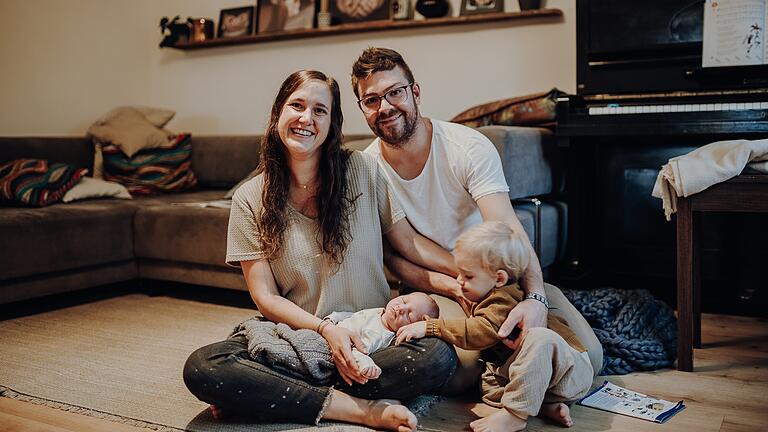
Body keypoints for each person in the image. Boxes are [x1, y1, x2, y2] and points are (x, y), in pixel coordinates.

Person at [183, 70, 458, 432]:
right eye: (296, 105)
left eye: (319, 111)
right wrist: (327, 331)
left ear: (332, 124)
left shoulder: (363, 169)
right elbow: (264, 297)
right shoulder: (249, 197)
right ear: (278, 113)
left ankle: (271, 395)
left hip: (373, 341)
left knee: (437, 357)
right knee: (205, 366)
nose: (305, 119)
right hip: (300, 343)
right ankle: (357, 409)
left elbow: (408, 244)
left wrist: (464, 274)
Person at [351, 47, 603, 391]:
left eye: (395, 92)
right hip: (432, 286)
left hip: (497, 279)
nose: (385, 107)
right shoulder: (368, 169)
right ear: (363, 108)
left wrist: (535, 298)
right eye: (372, 100)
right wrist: (454, 284)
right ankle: (536, 387)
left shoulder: (466, 147)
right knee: (463, 373)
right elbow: (396, 254)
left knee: (591, 355)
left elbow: (508, 230)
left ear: (415, 92)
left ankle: (540, 383)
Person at [395, 222, 593, 431]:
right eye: (460, 273)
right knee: (487, 381)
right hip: (539, 376)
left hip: (567, 370)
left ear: (499, 278)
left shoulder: (503, 298)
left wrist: (432, 328)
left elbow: (480, 330)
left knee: (539, 339)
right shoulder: (485, 292)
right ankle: (542, 405)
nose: (459, 281)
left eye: (468, 276)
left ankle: (515, 415)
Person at [235, 292, 440, 383]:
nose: (400, 307)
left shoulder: (384, 334)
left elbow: (360, 349)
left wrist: (364, 362)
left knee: (286, 361)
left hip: (331, 348)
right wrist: (333, 319)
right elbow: (353, 316)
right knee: (274, 339)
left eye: (409, 313)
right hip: (324, 331)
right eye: (404, 300)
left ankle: (244, 384)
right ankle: (243, 373)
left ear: (414, 325)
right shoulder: (379, 311)